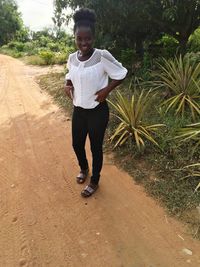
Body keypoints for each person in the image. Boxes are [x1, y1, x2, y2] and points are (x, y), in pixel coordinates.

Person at [64, 8, 127, 197]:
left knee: (95, 147)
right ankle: (84, 169)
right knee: (76, 144)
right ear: (75, 37)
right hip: (79, 110)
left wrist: (106, 90)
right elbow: (70, 74)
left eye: (88, 38)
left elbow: (121, 73)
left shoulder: (101, 56)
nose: (84, 43)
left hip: (97, 111)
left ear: (94, 37)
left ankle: (95, 180)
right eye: (79, 39)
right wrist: (67, 83)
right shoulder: (72, 58)